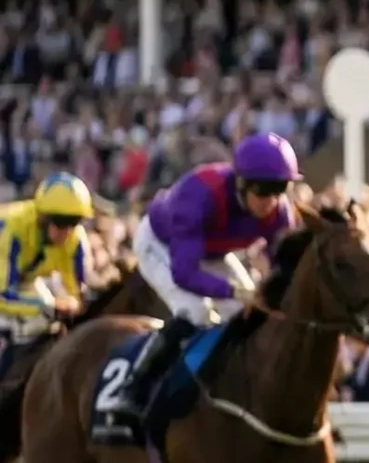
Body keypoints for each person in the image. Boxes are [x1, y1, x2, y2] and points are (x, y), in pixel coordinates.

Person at [95, 131, 301, 446]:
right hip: (160, 245)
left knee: (254, 313)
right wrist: (237, 291)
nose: (272, 200)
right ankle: (132, 391)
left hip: (212, 251)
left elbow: (280, 270)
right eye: (265, 190)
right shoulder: (200, 196)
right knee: (194, 310)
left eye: (281, 189)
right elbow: (185, 274)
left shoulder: (280, 212)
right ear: (243, 184)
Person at [0, 172, 97, 379]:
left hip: (24, 281)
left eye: (75, 222)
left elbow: (79, 294)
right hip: (4, 287)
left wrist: (70, 303)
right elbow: (3, 296)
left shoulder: (75, 240)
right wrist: (49, 306)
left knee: (46, 320)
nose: (68, 232)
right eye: (61, 222)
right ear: (42, 219)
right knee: (25, 321)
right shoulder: (11, 229)